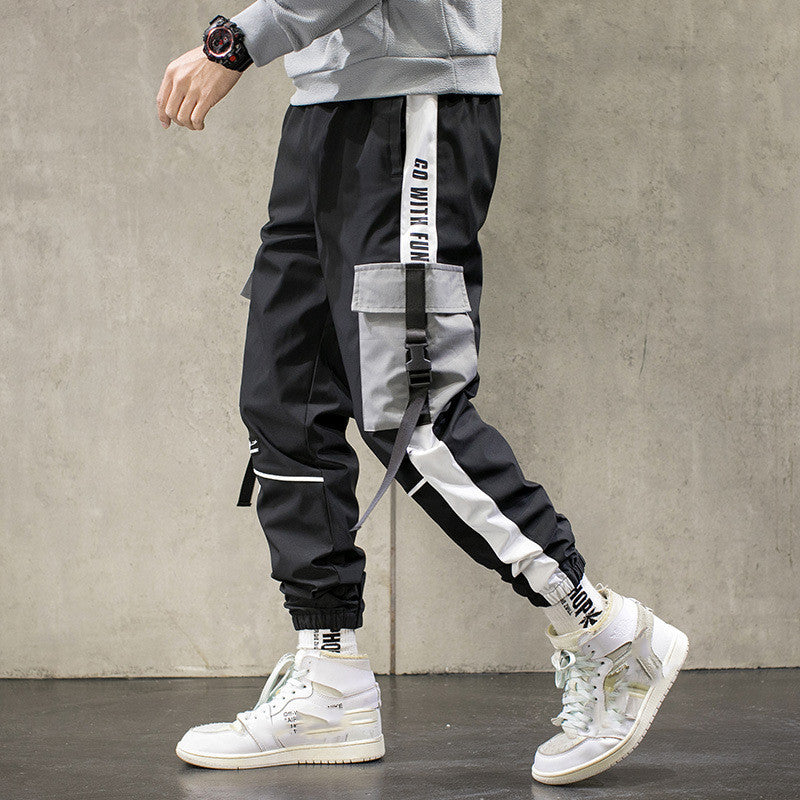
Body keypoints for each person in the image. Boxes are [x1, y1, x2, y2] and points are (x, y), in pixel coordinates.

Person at [156, 1, 688, 785]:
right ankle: (329, 677)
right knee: (285, 399)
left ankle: (604, 630)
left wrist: (238, 41)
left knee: (412, 414)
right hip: (324, 108)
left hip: (412, 109)